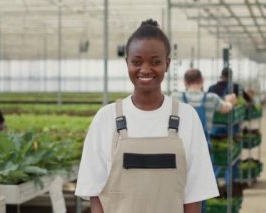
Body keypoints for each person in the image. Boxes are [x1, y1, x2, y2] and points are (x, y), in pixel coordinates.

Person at [75, 19, 218, 213]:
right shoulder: (106, 119)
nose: (145, 69)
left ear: (167, 64)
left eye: (155, 61)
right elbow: (95, 194)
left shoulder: (187, 118)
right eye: (137, 61)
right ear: (127, 63)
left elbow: (194, 193)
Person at [172, 68, 237, 141]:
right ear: (202, 80)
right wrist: (229, 101)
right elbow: (226, 108)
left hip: (182, 144)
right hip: (203, 145)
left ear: (185, 82)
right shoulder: (211, 98)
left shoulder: (175, 97)